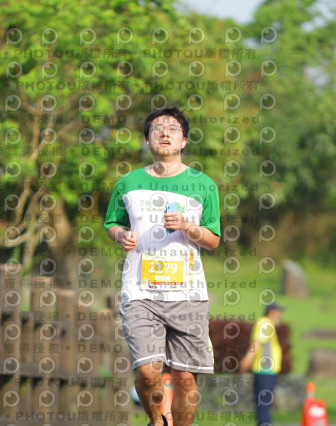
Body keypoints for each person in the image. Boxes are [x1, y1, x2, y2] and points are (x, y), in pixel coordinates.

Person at [104, 105, 221, 426]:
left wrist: (187, 226)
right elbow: (112, 223)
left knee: (185, 378)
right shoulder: (128, 183)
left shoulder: (204, 184)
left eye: (172, 129)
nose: (165, 133)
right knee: (146, 371)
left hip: (188, 294)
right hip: (140, 292)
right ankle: (157, 420)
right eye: (157, 129)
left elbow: (213, 239)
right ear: (147, 140)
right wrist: (121, 235)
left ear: (184, 141)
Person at [239, 303, 284, 426]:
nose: (280, 314)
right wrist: (246, 362)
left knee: (264, 405)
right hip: (265, 370)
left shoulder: (268, 325)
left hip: (268, 371)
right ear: (272, 312)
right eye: (279, 311)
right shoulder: (264, 323)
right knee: (264, 406)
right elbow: (257, 343)